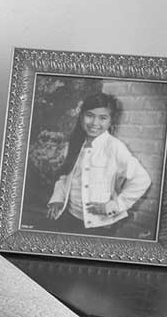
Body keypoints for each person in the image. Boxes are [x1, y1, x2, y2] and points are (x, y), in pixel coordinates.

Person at [48, 90, 150, 236]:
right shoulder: (75, 144)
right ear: (81, 116)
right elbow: (66, 176)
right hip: (69, 217)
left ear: (110, 121)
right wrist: (58, 198)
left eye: (102, 118)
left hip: (100, 226)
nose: (95, 123)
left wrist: (115, 205)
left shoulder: (114, 147)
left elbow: (142, 180)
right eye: (89, 115)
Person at [19, 122, 73, 230]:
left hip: (55, 209)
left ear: (60, 145)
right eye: (45, 140)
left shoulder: (65, 164)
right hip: (32, 207)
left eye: (54, 141)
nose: (49, 144)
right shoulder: (29, 162)